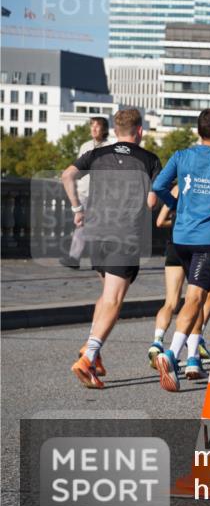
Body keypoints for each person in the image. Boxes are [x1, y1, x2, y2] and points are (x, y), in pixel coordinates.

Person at [61, 109, 161, 388]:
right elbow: (152, 203)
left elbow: (67, 176)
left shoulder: (97, 154)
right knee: (114, 300)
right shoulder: (149, 160)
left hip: (96, 233)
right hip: (124, 235)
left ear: (116, 130)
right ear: (139, 131)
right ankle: (88, 356)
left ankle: (93, 352)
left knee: (106, 295)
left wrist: (76, 208)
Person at [151, 109, 210, 392]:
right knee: (196, 298)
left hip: (181, 238)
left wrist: (178, 204)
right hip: (209, 240)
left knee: (194, 297)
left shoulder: (181, 156)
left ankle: (193, 359)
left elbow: (158, 186)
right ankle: (172, 354)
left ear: (198, 131)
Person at [146, 185, 210, 375]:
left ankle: (157, 341)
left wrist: (177, 220)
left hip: (174, 245)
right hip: (198, 245)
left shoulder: (176, 189)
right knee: (199, 298)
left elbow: (160, 221)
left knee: (170, 301)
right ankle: (194, 351)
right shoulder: (206, 185)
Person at [61, 117, 114, 269]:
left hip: (100, 195)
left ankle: (86, 258)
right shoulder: (85, 146)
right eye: (92, 127)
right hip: (83, 192)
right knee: (82, 224)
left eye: (97, 127)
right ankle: (79, 258)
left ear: (104, 130)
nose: (94, 129)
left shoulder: (109, 147)